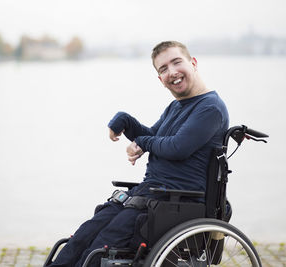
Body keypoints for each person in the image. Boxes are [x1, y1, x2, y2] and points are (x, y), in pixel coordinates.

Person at [46, 41, 229, 267]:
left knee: (98, 251)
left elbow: (177, 147)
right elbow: (154, 136)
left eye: (176, 62)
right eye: (163, 69)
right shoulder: (176, 106)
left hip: (175, 201)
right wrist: (125, 121)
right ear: (160, 80)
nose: (171, 72)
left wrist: (142, 142)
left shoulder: (210, 108)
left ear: (193, 63)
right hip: (150, 195)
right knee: (80, 239)